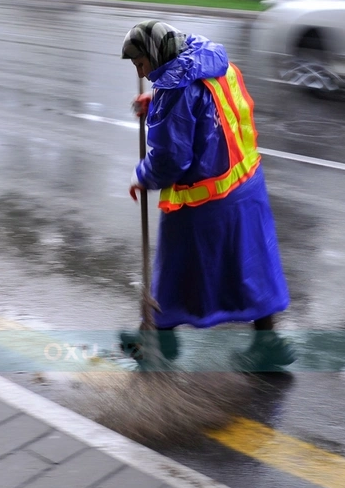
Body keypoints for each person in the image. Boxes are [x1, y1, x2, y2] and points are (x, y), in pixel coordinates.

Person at [119, 20, 295, 371]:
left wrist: (143, 177)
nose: (142, 72)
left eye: (141, 63)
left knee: (173, 270)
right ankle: (269, 343)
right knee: (252, 268)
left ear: (156, 54)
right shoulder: (215, 62)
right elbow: (209, 111)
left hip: (204, 202)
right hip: (246, 185)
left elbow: (172, 157)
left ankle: (155, 342)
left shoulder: (176, 91)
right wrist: (156, 104)